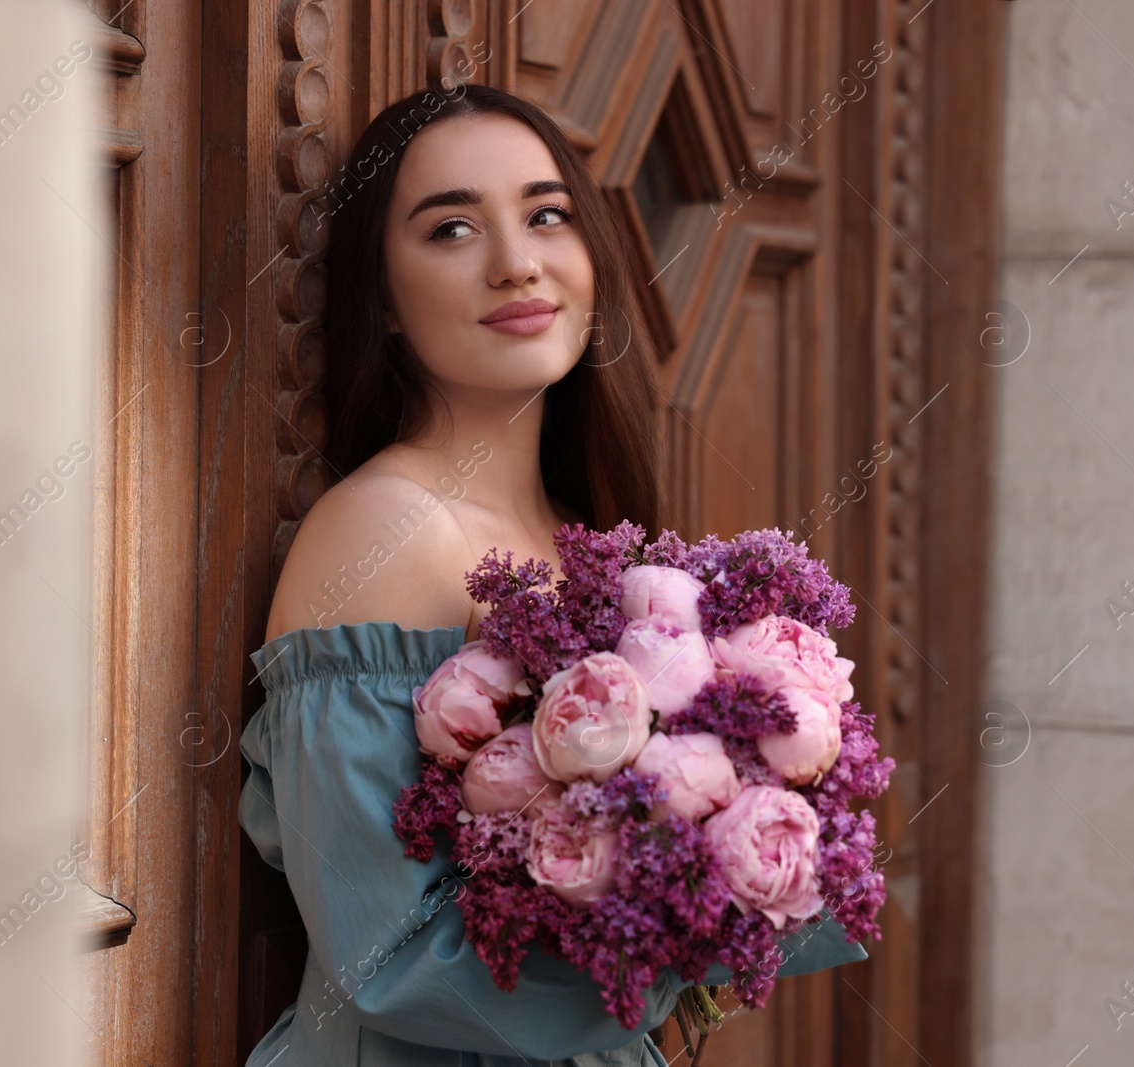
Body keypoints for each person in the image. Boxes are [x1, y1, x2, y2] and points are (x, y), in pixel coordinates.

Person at [239, 83, 866, 1066]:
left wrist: (756, 855)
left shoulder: (594, 541)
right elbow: (392, 954)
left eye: (545, 214)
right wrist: (675, 946)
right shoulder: (385, 527)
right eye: (451, 228)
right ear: (384, 302)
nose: (516, 262)